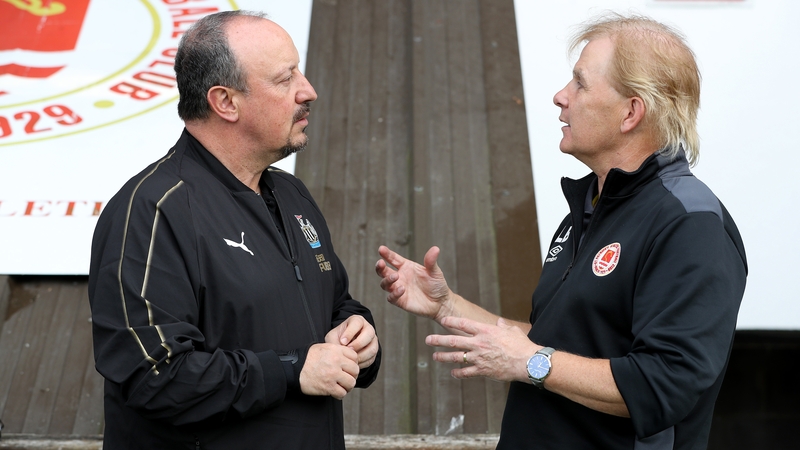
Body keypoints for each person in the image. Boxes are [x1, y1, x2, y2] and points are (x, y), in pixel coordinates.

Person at [375, 12, 746, 449]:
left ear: (631, 112)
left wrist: (533, 362)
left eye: (580, 84)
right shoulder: (590, 207)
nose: (559, 96)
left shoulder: (690, 223)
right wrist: (449, 305)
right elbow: (553, 343)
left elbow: (663, 383)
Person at [88, 10, 380, 449]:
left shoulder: (292, 195)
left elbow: (333, 302)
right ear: (225, 102)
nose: (309, 91)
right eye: (285, 79)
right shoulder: (152, 211)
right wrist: (290, 368)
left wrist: (357, 329)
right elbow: (153, 377)